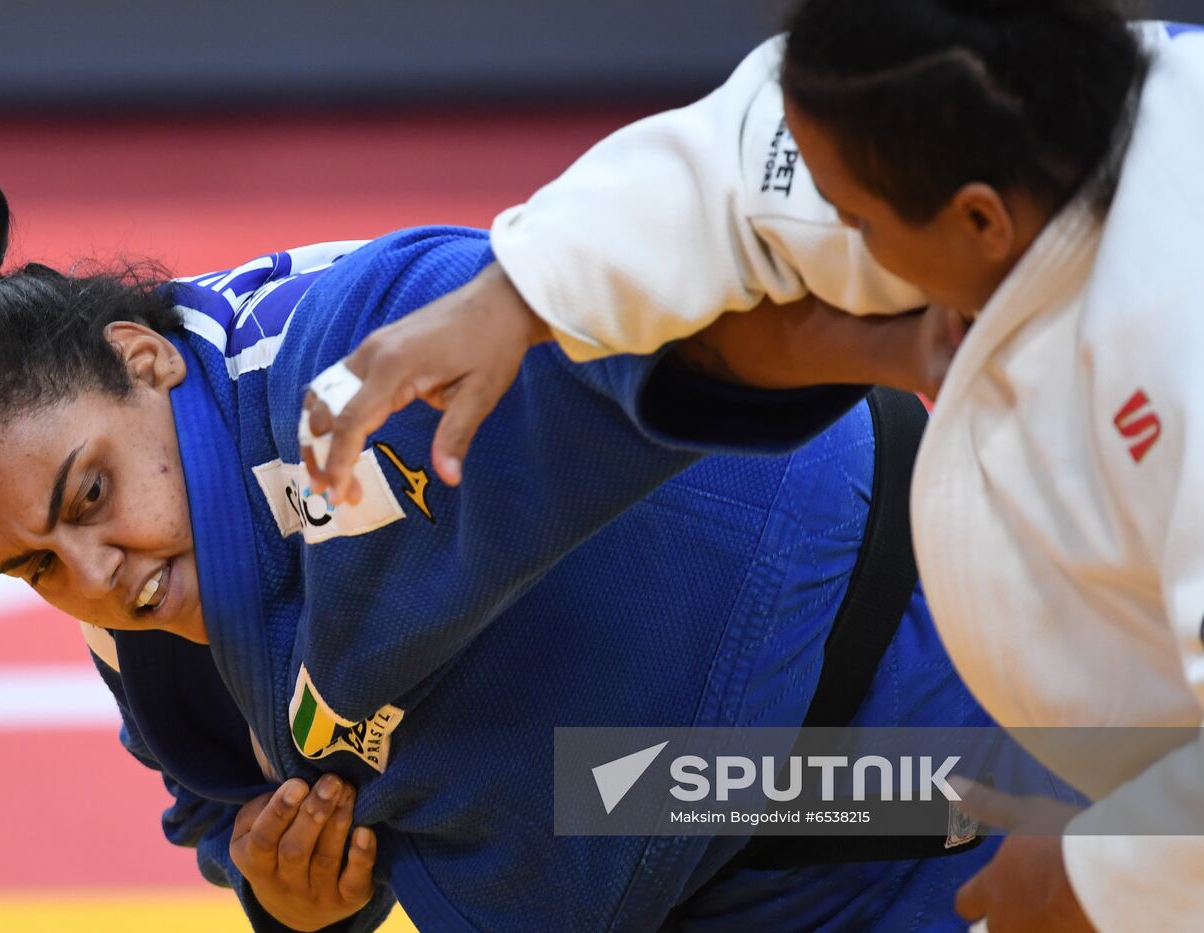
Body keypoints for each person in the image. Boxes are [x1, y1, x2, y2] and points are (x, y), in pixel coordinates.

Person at [0, 177, 1066, 932]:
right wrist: (296, 899)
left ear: (145, 361)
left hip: (900, 683)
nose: (93, 573)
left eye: (90, 494)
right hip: (694, 839)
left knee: (1135, 831)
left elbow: (638, 320)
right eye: (34, 566)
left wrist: (906, 332)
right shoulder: (135, 627)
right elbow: (230, 819)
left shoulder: (348, 348)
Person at [298, 7, 1204, 932]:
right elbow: (739, 169)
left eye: (858, 219)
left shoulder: (1175, 366)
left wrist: (1097, 878)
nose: (833, 235)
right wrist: (513, 294)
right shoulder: (1006, 102)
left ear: (979, 217)